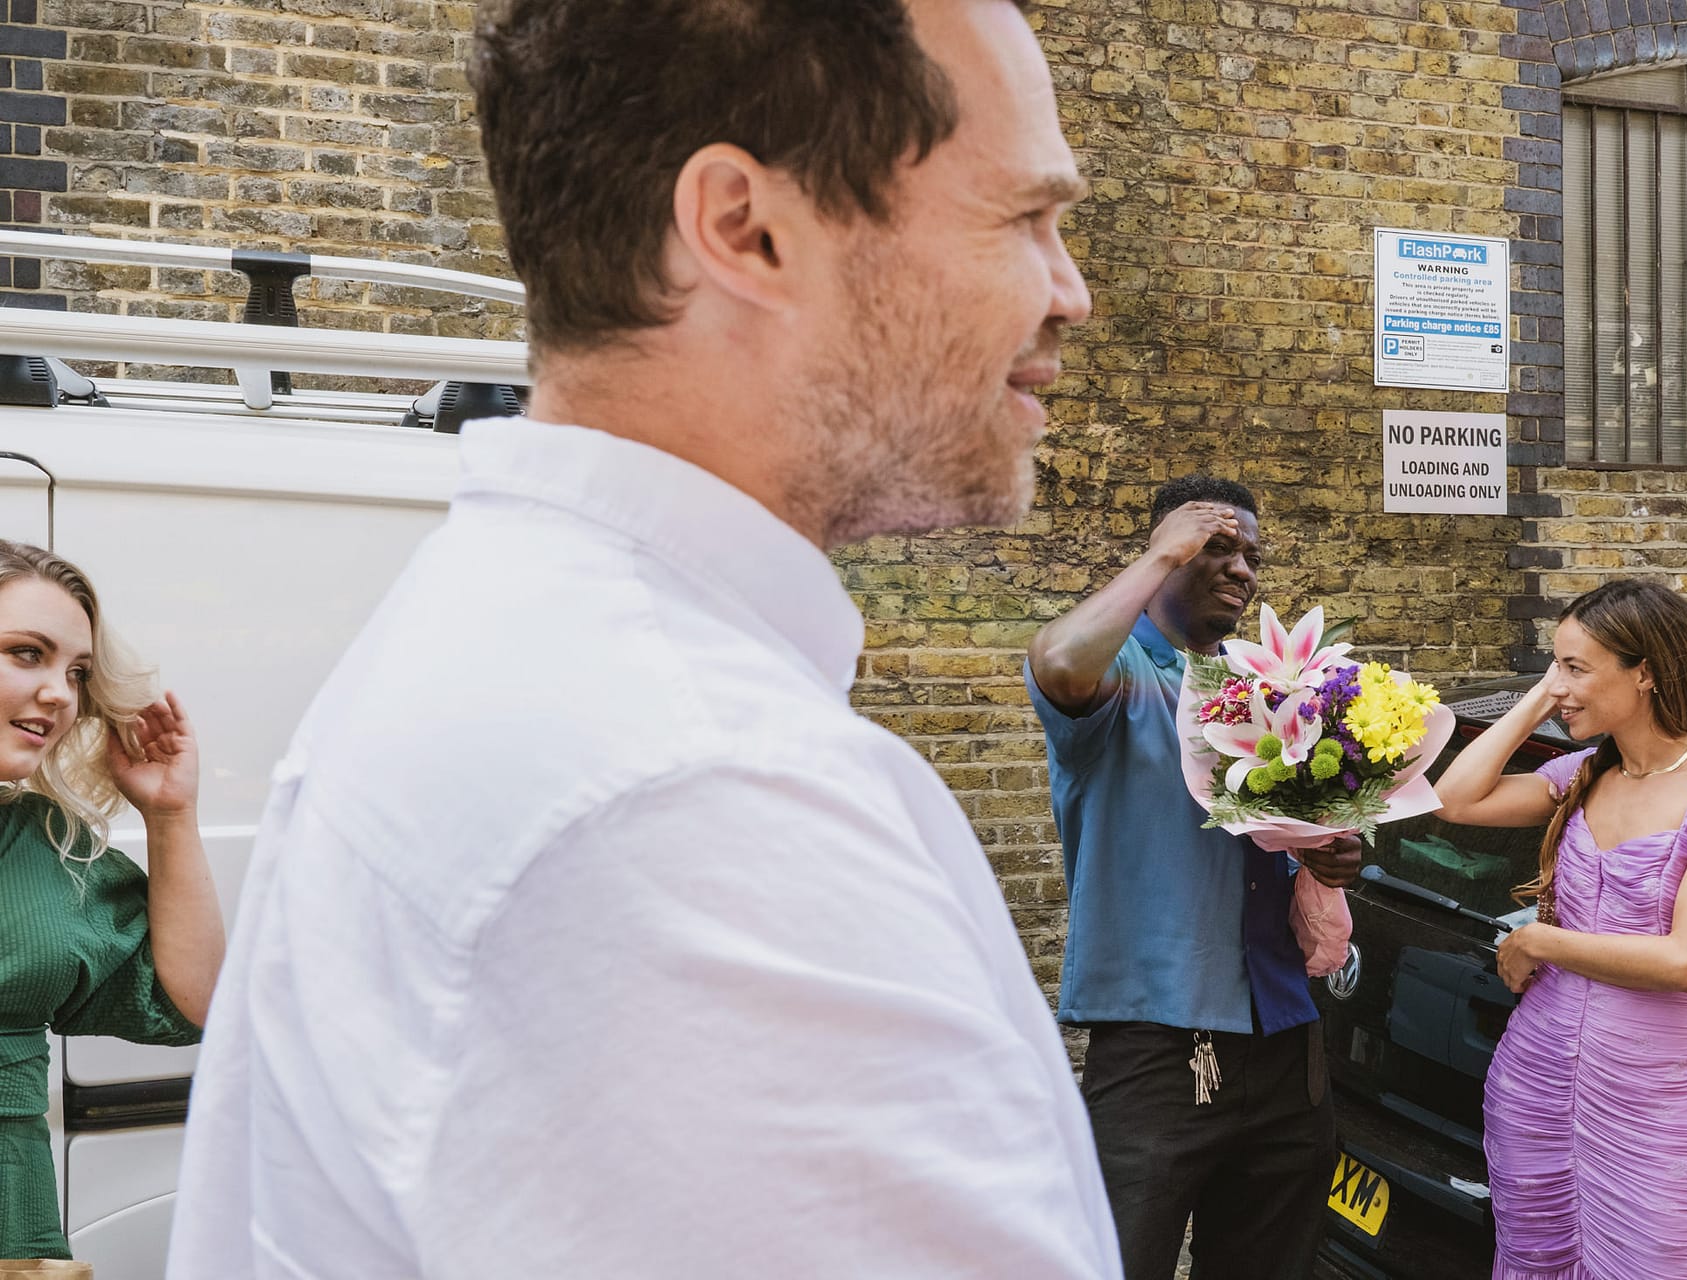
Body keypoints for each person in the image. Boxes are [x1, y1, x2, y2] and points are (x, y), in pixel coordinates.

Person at [168, 1, 1117, 1276]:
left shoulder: (519, 640)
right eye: (1024, 218)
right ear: (744, 228)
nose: (1072, 292)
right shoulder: (696, 799)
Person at [1024, 475, 1357, 1280]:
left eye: (1252, 555)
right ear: (1167, 550)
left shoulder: (1263, 688)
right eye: (1217, 547)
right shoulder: (1121, 674)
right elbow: (1058, 662)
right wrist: (1162, 554)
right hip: (1159, 1044)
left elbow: (1285, 835)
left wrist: (1329, 853)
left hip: (1286, 1042)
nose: (1242, 568)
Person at [1431, 577, 1687, 1280]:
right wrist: (1540, 697)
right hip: (1536, 1073)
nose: (1560, 685)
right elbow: (1453, 800)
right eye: (1555, 666)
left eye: (1576, 667)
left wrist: (1539, 940)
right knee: (1534, 1257)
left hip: (1650, 1089)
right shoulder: (1584, 775)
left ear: (1645, 672)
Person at [0, 540, 223, 1259]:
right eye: (27, 653)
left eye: (77, 673)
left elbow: (198, 1003)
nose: (61, 695)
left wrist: (170, 815)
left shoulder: (40, 846)